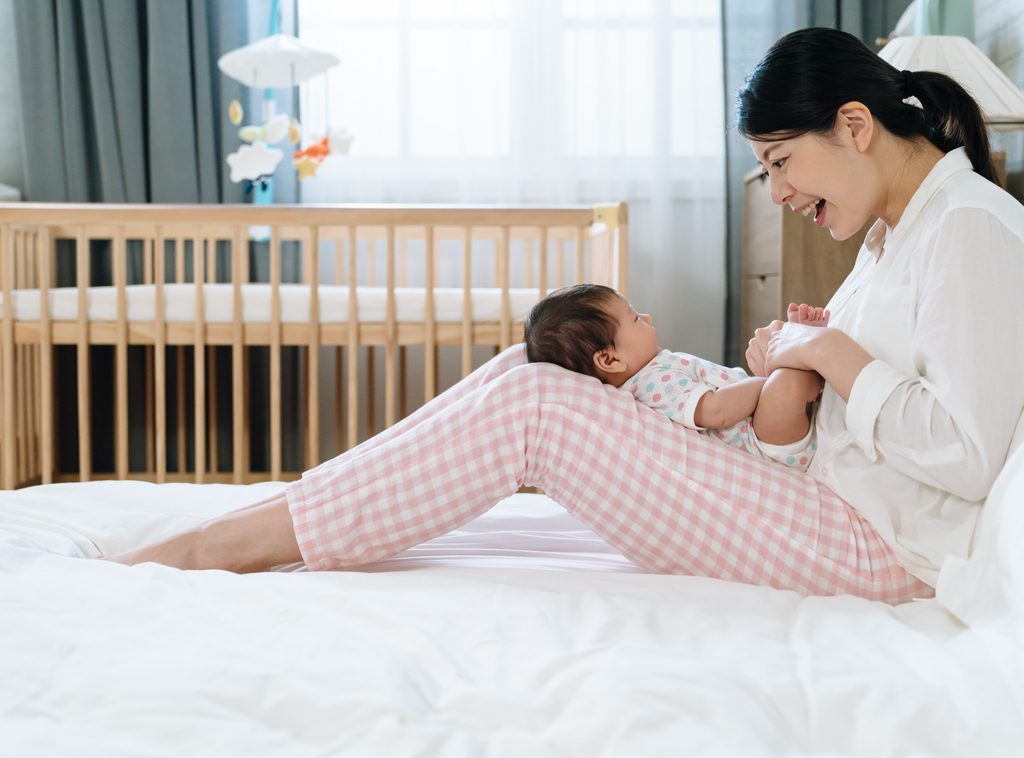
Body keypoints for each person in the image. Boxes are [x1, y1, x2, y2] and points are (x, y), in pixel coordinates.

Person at [109, 27, 1024, 607]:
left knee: (542, 409)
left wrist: (824, 347)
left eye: (784, 162)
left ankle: (227, 546)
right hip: (816, 488)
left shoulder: (973, 227)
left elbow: (971, 453)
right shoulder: (894, 236)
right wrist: (803, 354)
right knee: (531, 370)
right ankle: (288, 510)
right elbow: (875, 376)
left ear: (855, 125)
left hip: (872, 541)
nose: (778, 190)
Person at [523, 283, 824, 470]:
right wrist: (766, 383)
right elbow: (716, 411)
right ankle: (805, 360)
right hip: (762, 443)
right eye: (636, 318)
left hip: (760, 422)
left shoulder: (652, 371)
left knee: (781, 376)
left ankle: (798, 359)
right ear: (609, 359)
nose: (649, 318)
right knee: (785, 386)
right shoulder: (650, 384)